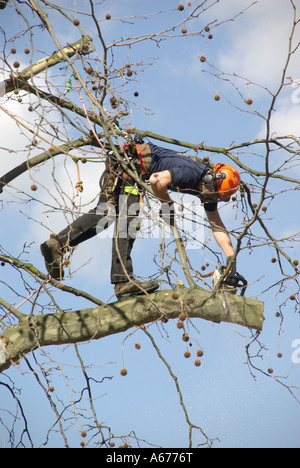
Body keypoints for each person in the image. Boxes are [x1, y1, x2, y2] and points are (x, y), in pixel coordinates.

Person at [40, 137, 241, 299]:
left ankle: (57, 244)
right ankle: (123, 282)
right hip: (130, 166)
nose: (211, 198)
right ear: (210, 179)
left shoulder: (207, 190)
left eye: (216, 198)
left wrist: (231, 258)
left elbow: (217, 225)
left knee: (107, 213)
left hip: (127, 166)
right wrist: (167, 205)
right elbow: (156, 180)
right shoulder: (190, 174)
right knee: (128, 220)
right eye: (213, 193)